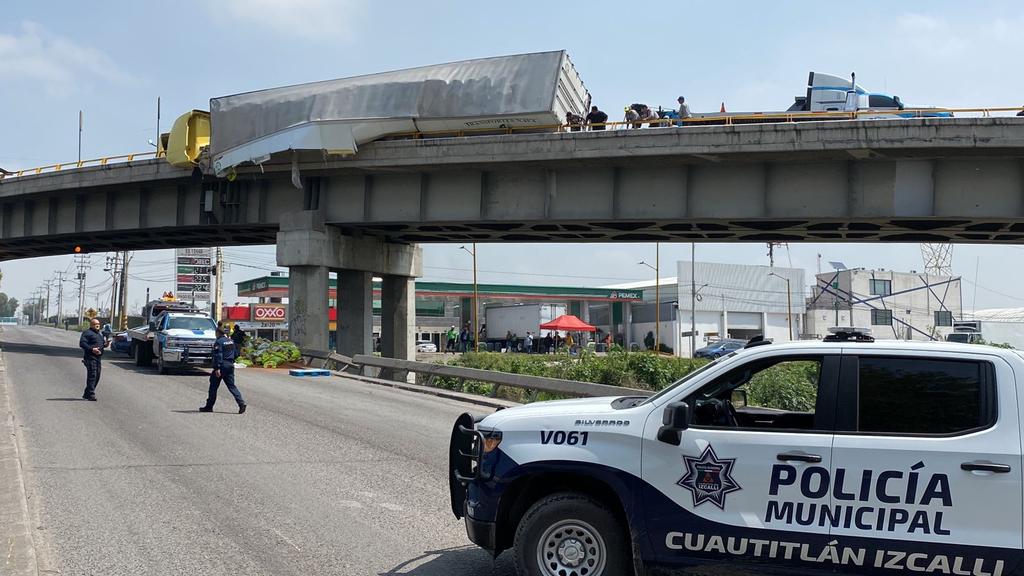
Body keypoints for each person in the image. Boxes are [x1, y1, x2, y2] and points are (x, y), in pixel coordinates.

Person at [200, 323, 246, 414]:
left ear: (217, 333)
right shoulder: (230, 341)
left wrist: (217, 368)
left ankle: (209, 407)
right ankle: (241, 403)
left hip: (221, 366)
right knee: (232, 386)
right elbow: (236, 354)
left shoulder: (219, 342)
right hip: (230, 365)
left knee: (213, 386)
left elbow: (218, 355)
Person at [79, 318, 108, 401]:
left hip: (98, 358)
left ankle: (87, 393)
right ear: (91, 325)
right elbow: (82, 343)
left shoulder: (99, 334)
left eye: (98, 324)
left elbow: (101, 344)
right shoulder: (87, 333)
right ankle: (91, 394)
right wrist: (92, 349)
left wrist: (105, 344)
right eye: (95, 324)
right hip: (90, 357)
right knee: (92, 375)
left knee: (97, 376)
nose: (97, 325)